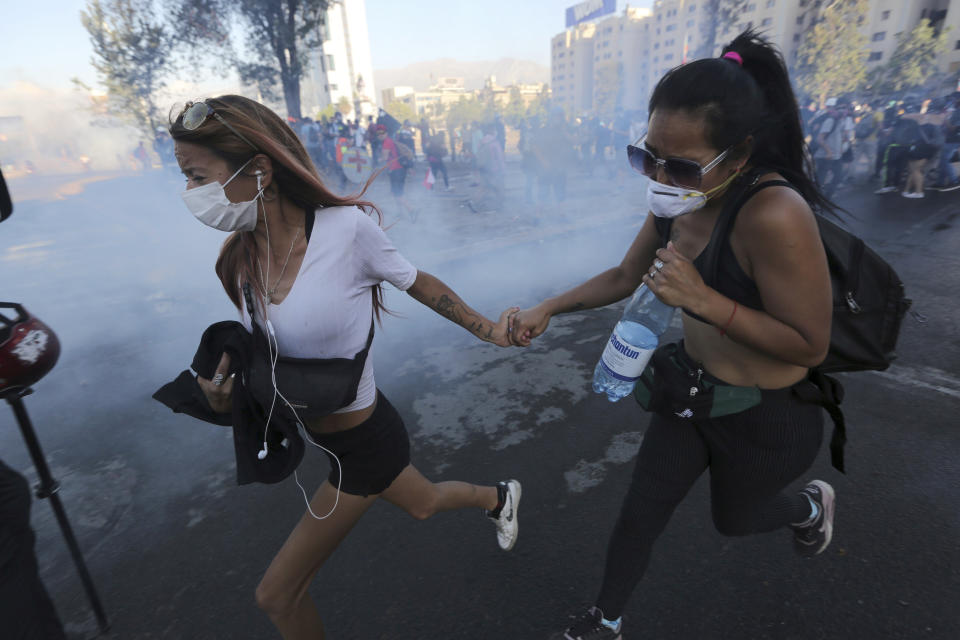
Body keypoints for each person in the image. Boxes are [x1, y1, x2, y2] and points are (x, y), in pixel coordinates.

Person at [511, 31, 836, 639]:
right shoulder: (676, 199)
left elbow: (810, 345)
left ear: (736, 157)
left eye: (680, 165)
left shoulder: (774, 214)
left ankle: (809, 505)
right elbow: (626, 274)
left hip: (768, 415)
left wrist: (704, 299)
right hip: (692, 393)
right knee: (641, 511)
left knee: (735, 520)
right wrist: (550, 306)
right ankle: (605, 620)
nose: (659, 176)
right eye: (646, 156)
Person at [168, 95, 521, 640]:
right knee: (424, 504)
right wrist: (223, 390)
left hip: (367, 443)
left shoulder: (346, 230)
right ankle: (499, 496)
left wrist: (488, 330)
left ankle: (497, 497)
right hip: (323, 440)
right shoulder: (236, 258)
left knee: (277, 596)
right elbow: (270, 347)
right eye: (185, 178)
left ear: (259, 169)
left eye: (198, 177)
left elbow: (418, 281)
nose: (191, 194)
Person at [376, 124, 418, 221]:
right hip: (398, 170)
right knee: (396, 193)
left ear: (386, 133)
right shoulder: (389, 141)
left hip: (396, 171)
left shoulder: (386, 142)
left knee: (398, 194)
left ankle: (412, 210)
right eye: (378, 133)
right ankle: (400, 213)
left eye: (382, 133)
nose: (380, 135)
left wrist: (378, 160)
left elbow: (385, 158)